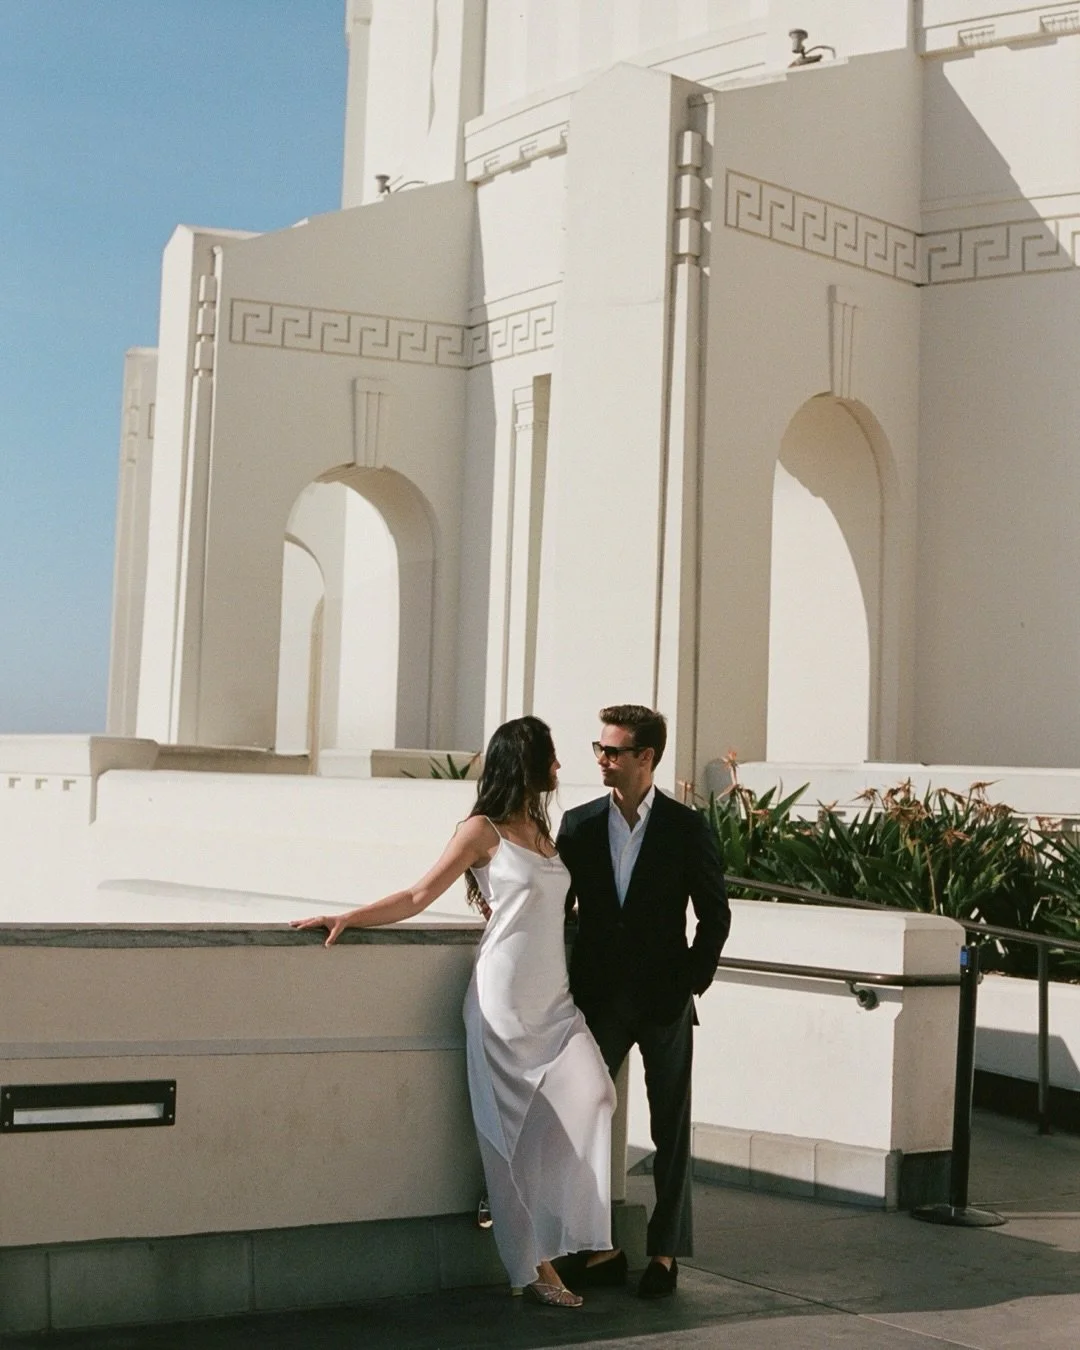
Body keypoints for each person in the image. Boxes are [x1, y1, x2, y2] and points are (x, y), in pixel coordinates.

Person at [291, 716, 615, 1309]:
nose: (560, 768)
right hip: (502, 1001)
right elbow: (418, 895)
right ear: (526, 761)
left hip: (555, 999)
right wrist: (348, 917)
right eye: (551, 757)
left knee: (595, 1095)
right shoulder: (480, 829)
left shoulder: (542, 828)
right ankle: (539, 1267)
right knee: (508, 1135)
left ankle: (524, 1218)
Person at [556, 705, 730, 1299]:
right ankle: (597, 1246)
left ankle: (664, 1254)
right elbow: (559, 908)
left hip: (664, 1000)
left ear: (646, 758)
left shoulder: (686, 827)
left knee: (671, 1129)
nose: (601, 759)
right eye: (599, 748)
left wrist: (691, 982)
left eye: (613, 751)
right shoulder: (578, 826)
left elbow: (715, 913)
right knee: (578, 1119)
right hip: (598, 1000)